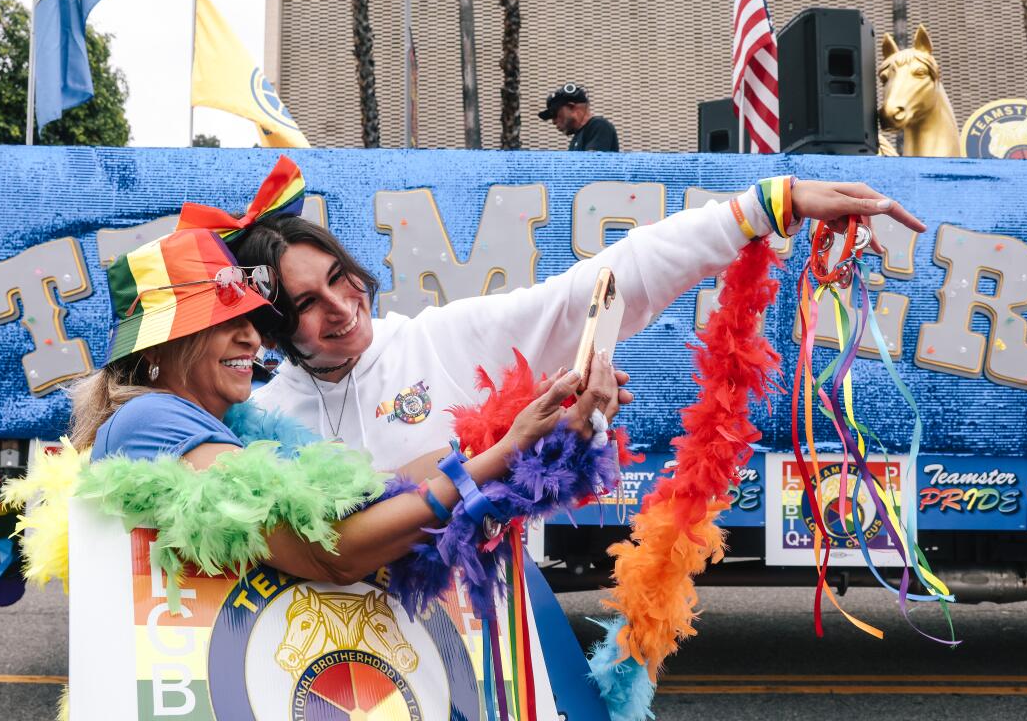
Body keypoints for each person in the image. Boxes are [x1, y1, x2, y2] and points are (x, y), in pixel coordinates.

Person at [197, 159, 924, 474]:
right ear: (273, 329)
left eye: (339, 279)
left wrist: (769, 204)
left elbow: (608, 282)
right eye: (306, 305)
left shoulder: (442, 340)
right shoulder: (258, 417)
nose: (341, 307)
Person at [70, 225, 623, 587]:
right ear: (159, 353)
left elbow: (375, 489)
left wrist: (544, 433)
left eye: (252, 321)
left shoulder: (237, 427)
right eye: (220, 325)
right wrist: (508, 451)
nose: (251, 340)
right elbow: (333, 553)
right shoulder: (151, 423)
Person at [538, 82, 620, 152]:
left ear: (571, 106)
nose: (553, 121)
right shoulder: (578, 136)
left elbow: (591, 168)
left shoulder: (598, 126)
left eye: (554, 113)